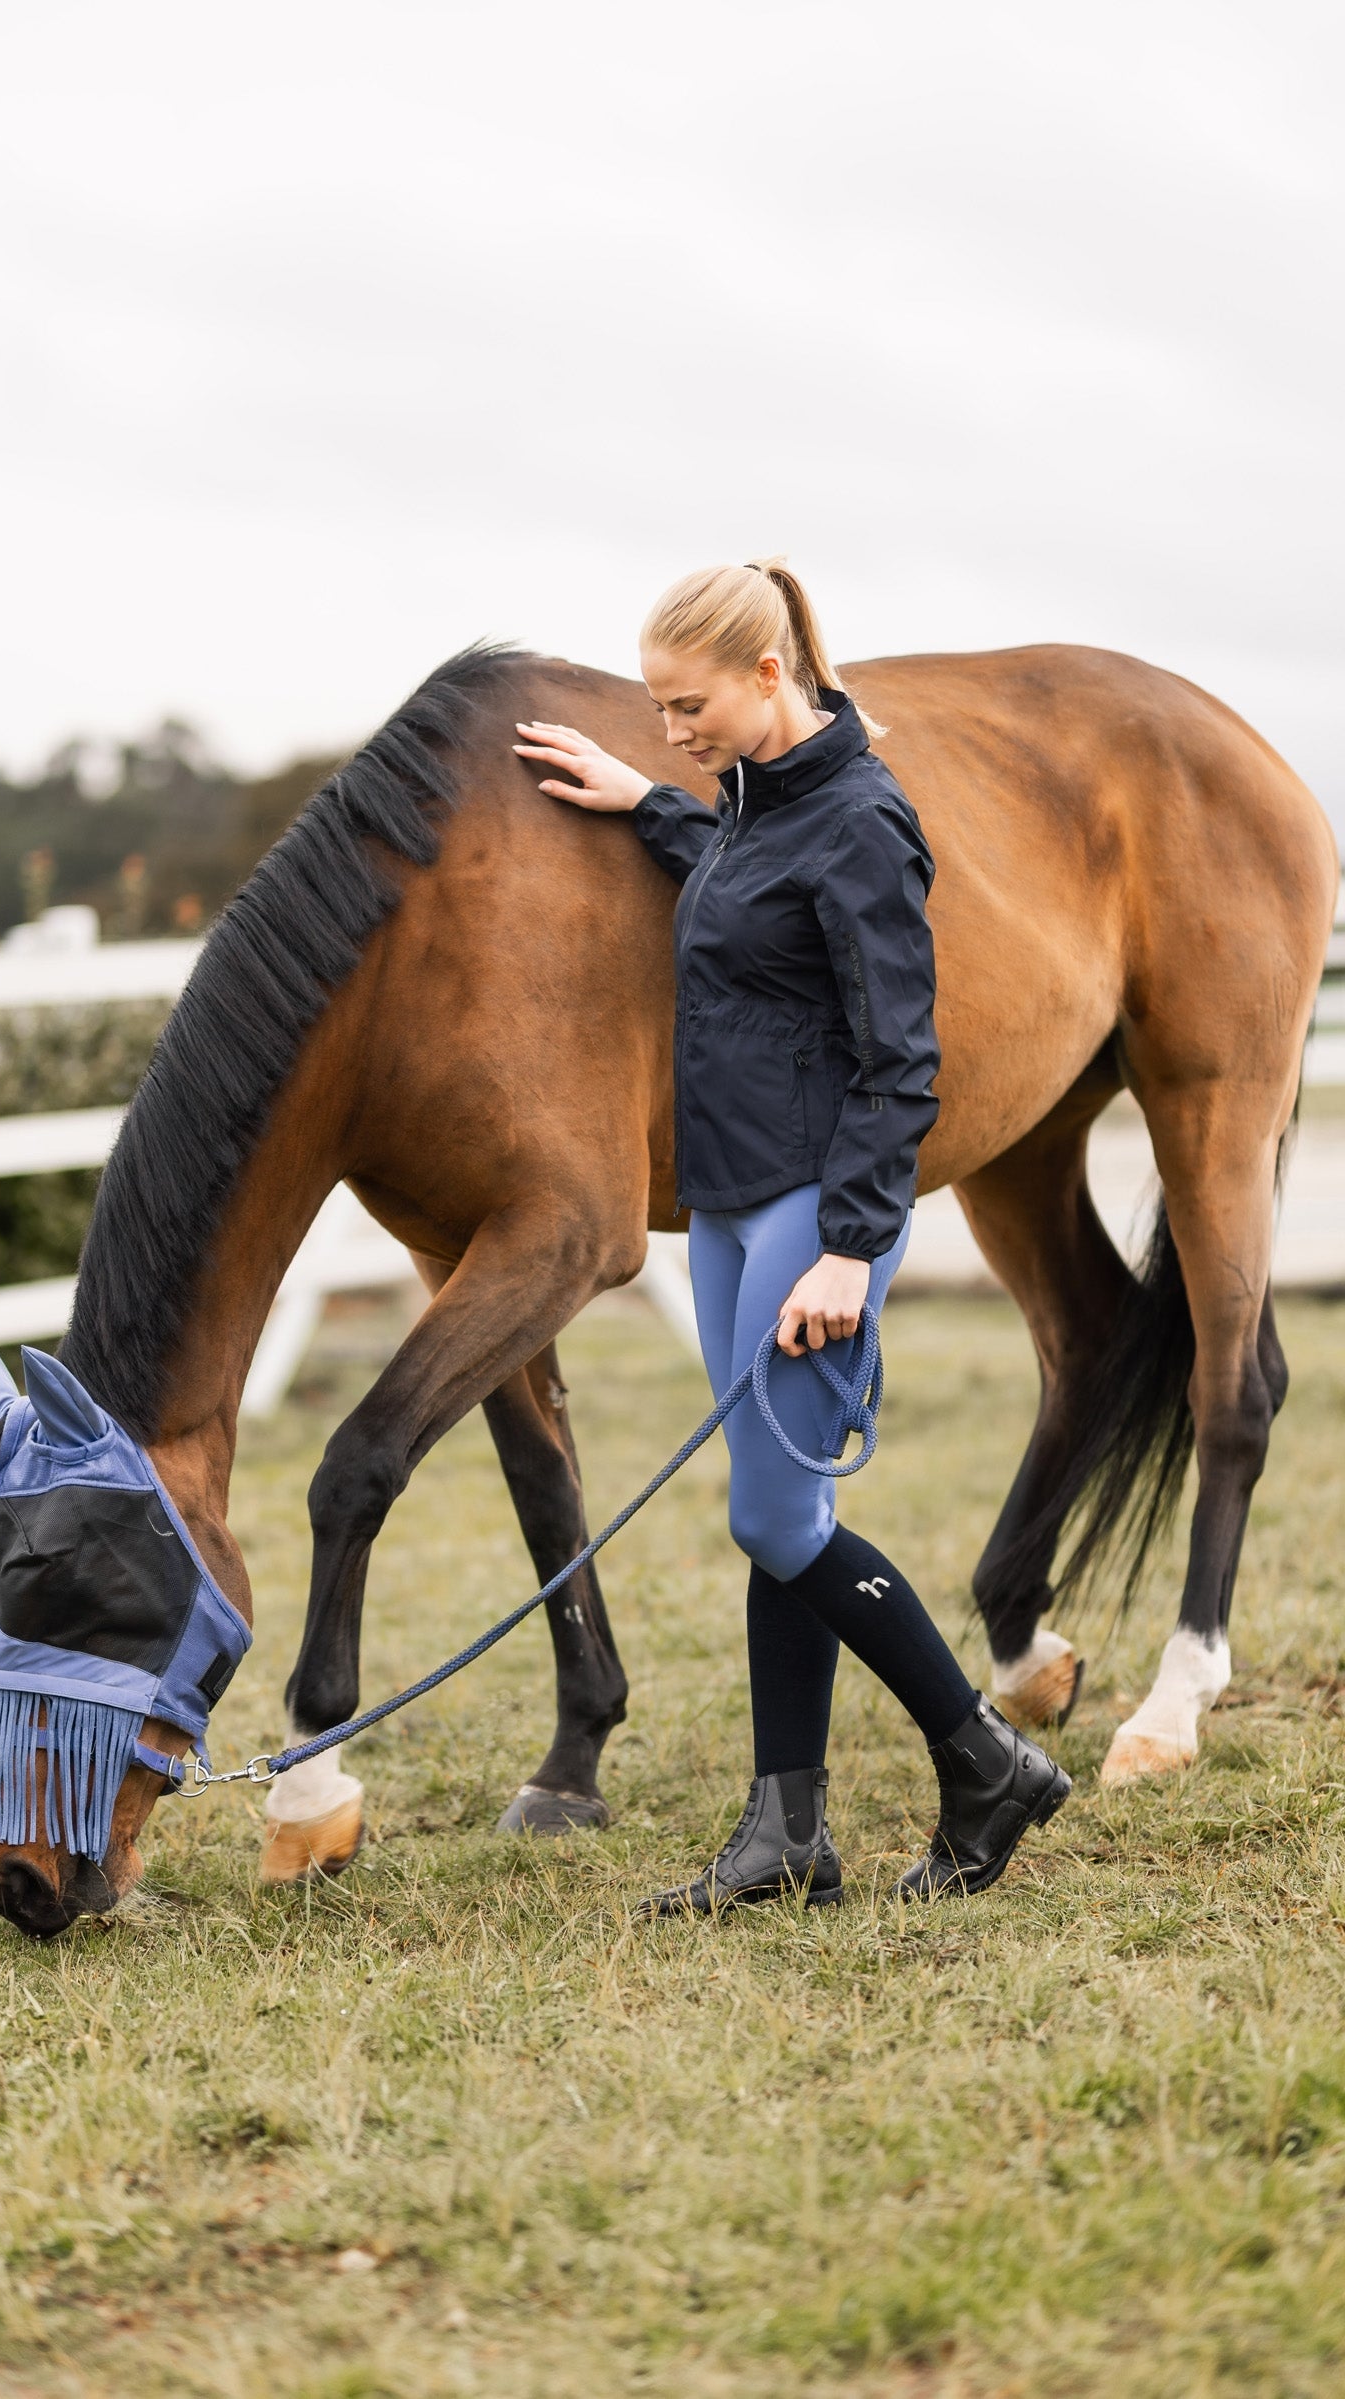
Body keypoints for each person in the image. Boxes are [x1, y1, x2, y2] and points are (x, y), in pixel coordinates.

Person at [513, 560, 1070, 1911]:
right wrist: (647, 799)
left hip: (815, 1215)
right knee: (784, 1520)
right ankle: (787, 1838)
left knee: (773, 1515)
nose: (671, 730)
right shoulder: (753, 804)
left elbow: (902, 1060)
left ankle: (987, 1762)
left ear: (769, 675)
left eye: (687, 707)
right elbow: (744, 877)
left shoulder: (865, 820)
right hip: (728, 1203)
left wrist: (849, 1247)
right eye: (658, 707)